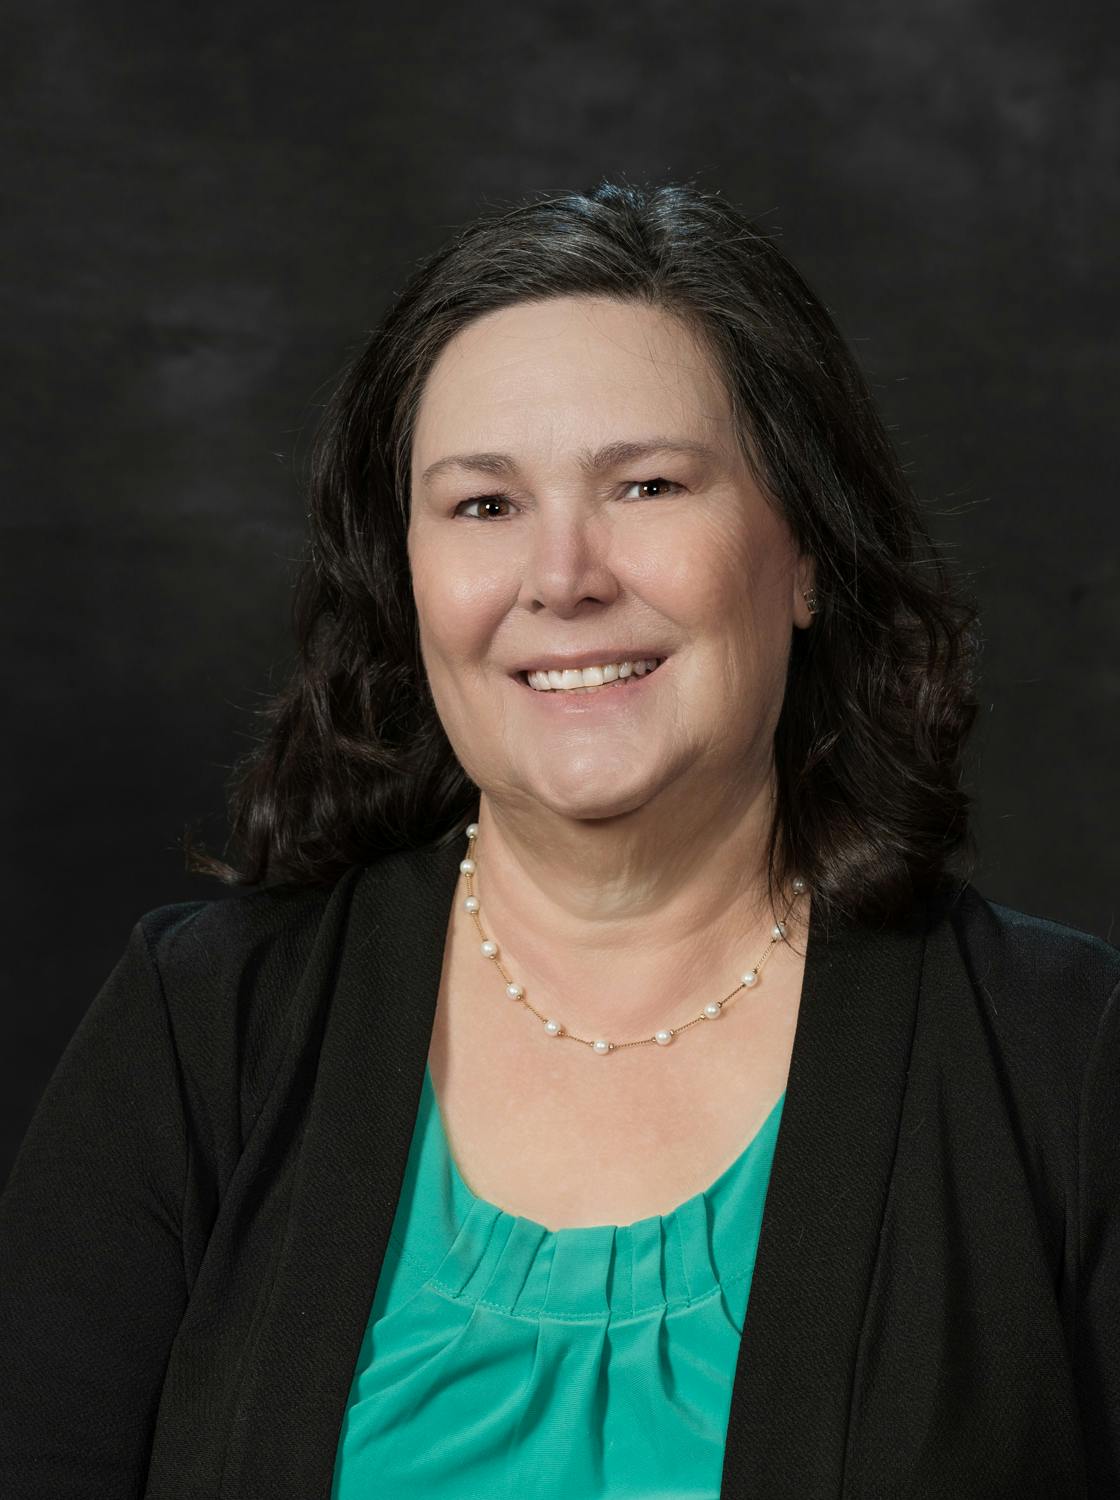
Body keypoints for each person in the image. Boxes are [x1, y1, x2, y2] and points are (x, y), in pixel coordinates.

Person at [1, 179, 1117, 1500]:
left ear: (804, 552)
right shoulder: (203, 1031)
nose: (565, 576)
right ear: (405, 575)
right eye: (484, 507)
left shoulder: (1065, 1058)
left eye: (646, 485)